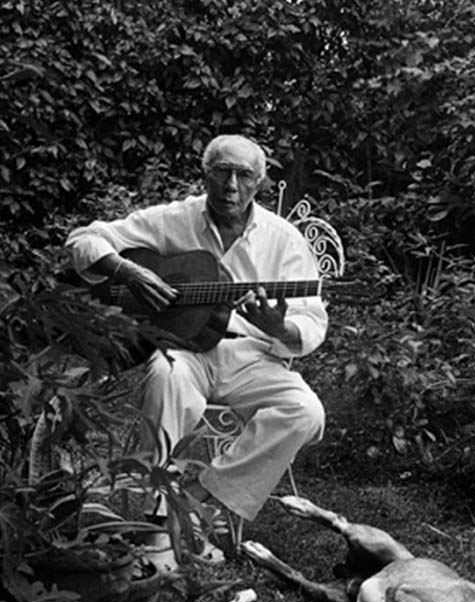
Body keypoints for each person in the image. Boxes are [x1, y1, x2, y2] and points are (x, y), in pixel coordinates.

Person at [65, 134, 327, 547]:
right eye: (222, 172)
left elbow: (311, 321)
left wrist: (278, 327)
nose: (231, 186)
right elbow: (83, 239)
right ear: (205, 174)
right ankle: (156, 521)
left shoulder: (284, 238)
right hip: (186, 350)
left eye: (244, 175)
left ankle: (198, 497)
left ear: (259, 183)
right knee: (165, 376)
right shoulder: (174, 219)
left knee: (306, 412)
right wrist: (128, 272)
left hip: (254, 357)